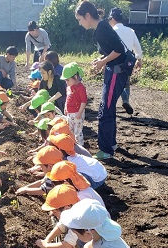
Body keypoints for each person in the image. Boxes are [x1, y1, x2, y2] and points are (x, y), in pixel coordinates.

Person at [75, 1, 129, 160]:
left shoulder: (101, 30)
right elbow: (112, 49)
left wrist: (103, 62)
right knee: (108, 108)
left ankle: (106, 150)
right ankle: (111, 144)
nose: (80, 23)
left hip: (116, 72)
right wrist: (101, 60)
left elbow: (119, 50)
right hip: (113, 70)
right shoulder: (102, 26)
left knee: (105, 110)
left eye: (80, 19)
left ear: (87, 15)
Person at [108, 7, 143, 115]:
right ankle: (125, 100)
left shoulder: (111, 31)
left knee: (112, 85)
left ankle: (110, 106)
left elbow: (107, 49)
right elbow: (137, 46)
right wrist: (139, 60)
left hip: (114, 62)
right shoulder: (130, 31)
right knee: (125, 83)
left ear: (112, 18)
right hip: (128, 62)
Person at [60, 62, 88, 146]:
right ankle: (72, 146)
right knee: (70, 130)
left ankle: (80, 147)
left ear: (75, 77)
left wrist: (80, 112)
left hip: (77, 113)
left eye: (67, 80)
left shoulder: (81, 88)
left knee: (77, 132)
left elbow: (83, 101)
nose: (66, 82)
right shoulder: (69, 87)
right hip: (70, 113)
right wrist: (65, 107)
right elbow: (67, 98)